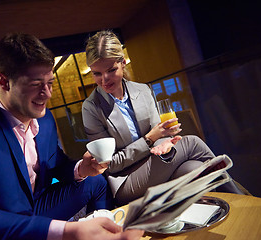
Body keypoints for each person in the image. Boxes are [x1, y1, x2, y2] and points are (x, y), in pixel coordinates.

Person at [0, 33, 144, 240]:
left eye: (50, 83)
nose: (47, 93)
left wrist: (82, 168)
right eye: (36, 84)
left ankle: (106, 232)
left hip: (34, 207)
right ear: (4, 81)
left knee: (95, 181)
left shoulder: (44, 121)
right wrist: (68, 231)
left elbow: (55, 164)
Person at [82, 30, 243, 206]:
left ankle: (224, 219)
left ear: (123, 63)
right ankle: (243, 202)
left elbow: (159, 136)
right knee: (193, 143)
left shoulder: (143, 90)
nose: (104, 79)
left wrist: (165, 143)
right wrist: (150, 139)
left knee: (194, 168)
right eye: (97, 73)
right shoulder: (91, 108)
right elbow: (110, 164)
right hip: (126, 181)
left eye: (111, 70)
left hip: (157, 165)